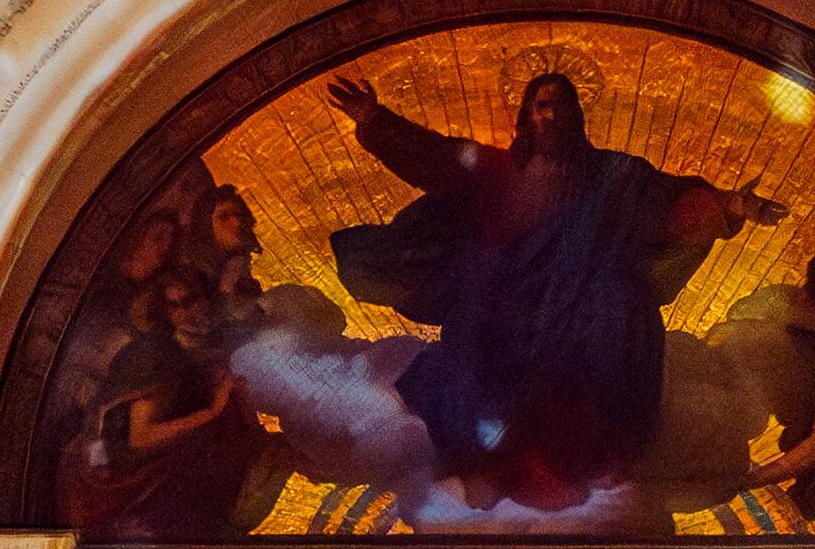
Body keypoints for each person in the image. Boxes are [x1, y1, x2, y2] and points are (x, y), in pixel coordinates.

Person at [325, 67, 774, 519]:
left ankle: (561, 470)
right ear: (526, 116)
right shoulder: (497, 171)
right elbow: (438, 157)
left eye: (563, 106)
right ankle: (495, 470)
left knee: (610, 315)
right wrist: (377, 121)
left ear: (577, 117)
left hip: (585, 311)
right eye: (542, 106)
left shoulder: (616, 177)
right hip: (508, 310)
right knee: (483, 354)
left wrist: (730, 205)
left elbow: (668, 204)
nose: (552, 115)